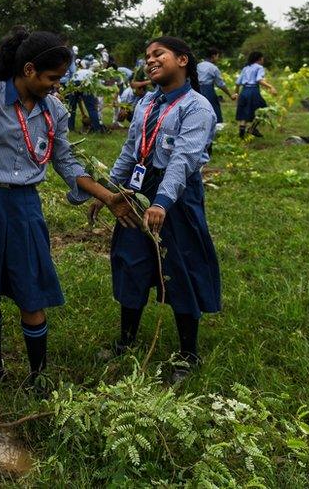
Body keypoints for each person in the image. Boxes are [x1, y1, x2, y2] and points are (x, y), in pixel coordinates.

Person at [0, 29, 132, 386]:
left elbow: (66, 161)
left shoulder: (54, 110)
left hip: (25, 206)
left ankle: (37, 376)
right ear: (29, 70)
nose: (56, 86)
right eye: (52, 78)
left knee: (32, 290)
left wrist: (106, 196)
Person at [89, 36, 221, 383]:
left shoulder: (197, 107)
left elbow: (183, 159)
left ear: (182, 60)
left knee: (181, 266)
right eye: (147, 56)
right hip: (138, 188)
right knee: (131, 260)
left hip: (176, 196)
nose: (150, 60)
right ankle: (126, 341)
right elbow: (131, 149)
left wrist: (162, 201)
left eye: (158, 54)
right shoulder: (147, 102)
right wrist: (109, 192)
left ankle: (188, 354)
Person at [234, 51, 276, 138]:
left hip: (244, 91)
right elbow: (259, 80)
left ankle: (242, 132)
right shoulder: (259, 67)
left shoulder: (245, 68)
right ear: (260, 59)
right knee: (263, 109)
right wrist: (270, 87)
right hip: (253, 91)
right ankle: (252, 128)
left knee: (244, 110)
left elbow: (238, 83)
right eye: (262, 58)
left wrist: (236, 93)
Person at [196, 48, 236, 125]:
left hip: (196, 89)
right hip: (208, 90)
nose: (218, 58)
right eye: (218, 56)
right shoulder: (213, 68)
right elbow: (220, 84)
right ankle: (216, 126)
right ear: (213, 56)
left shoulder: (198, 65)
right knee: (214, 108)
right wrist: (230, 95)